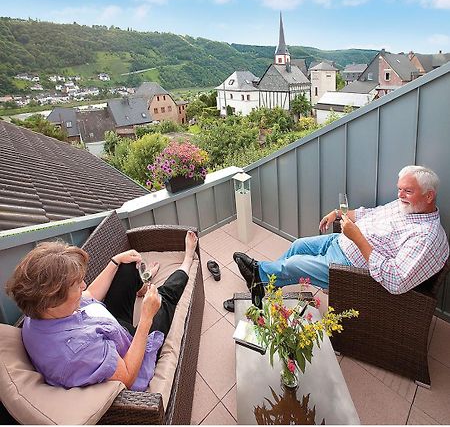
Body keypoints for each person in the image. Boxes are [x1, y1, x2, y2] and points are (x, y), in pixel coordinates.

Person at [224, 165, 449, 312]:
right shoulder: (405, 206)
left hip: (351, 267)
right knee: (298, 245)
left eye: (407, 191)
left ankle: (258, 273)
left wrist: (357, 237)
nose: (400, 196)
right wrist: (338, 214)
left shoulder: (426, 237)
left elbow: (396, 281)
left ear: (429, 195)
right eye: (399, 189)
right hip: (341, 243)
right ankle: (263, 284)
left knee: (294, 264)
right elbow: (366, 214)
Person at [5, 230, 198, 391]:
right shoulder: (77, 353)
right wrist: (147, 316)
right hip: (130, 349)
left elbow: (89, 295)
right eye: (76, 284)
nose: (83, 284)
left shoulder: (39, 312)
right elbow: (128, 376)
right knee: (165, 297)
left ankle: (142, 285)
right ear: (52, 302)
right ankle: (187, 261)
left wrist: (115, 261)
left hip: (107, 325)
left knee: (128, 265)